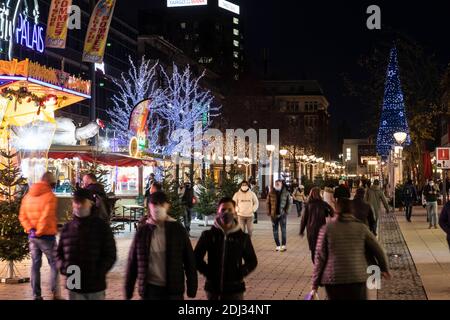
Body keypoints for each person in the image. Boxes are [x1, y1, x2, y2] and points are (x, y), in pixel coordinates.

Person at [311, 198, 391, 300]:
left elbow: (320, 258)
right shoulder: (361, 228)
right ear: (351, 210)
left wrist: (315, 284)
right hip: (357, 277)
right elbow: (378, 249)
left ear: (336, 210)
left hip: (333, 278)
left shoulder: (326, 229)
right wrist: (384, 268)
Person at [125, 191, 197, 300]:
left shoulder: (177, 230)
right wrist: (128, 289)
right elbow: (133, 261)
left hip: (173, 290)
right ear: (149, 206)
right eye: (154, 204)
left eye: (161, 204)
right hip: (149, 290)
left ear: (167, 206)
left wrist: (192, 287)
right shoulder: (143, 232)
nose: (157, 208)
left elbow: (189, 260)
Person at [57, 189, 116, 300]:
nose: (79, 206)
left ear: (90, 203)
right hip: (74, 282)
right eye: (76, 202)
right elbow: (59, 254)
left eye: (82, 202)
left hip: (94, 285)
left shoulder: (101, 227)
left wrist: (99, 271)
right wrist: (65, 268)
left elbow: (110, 254)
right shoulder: (67, 228)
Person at [194, 197, 257, 300]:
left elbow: (252, 261)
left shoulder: (242, 238)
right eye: (223, 210)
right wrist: (208, 272)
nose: (226, 212)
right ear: (218, 212)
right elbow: (196, 258)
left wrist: (240, 273)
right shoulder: (208, 235)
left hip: (235, 289)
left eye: (230, 210)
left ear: (235, 212)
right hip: (213, 288)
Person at [19, 172, 61, 300]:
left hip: (32, 237)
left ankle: (36, 295)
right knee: (54, 263)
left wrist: (30, 229)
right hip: (46, 236)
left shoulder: (27, 196)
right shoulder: (50, 196)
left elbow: (22, 216)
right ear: (50, 183)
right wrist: (39, 231)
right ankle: (55, 293)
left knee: (35, 264)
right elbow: (46, 217)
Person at [300, 187, 334, 263]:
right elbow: (332, 212)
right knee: (322, 248)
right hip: (322, 229)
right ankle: (321, 266)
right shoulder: (323, 204)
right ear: (319, 194)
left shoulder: (308, 204)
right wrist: (326, 212)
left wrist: (301, 230)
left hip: (311, 230)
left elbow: (304, 219)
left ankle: (316, 266)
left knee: (313, 249)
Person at [267, 180, 292, 252]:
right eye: (276, 183)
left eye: (279, 183)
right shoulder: (271, 192)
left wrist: (287, 211)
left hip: (283, 215)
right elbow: (267, 203)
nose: (277, 184)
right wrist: (269, 212)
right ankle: (277, 245)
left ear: (281, 184)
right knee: (275, 230)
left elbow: (289, 203)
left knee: (283, 230)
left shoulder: (286, 192)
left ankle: (283, 245)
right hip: (273, 215)